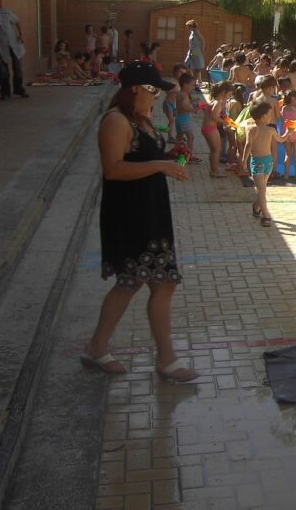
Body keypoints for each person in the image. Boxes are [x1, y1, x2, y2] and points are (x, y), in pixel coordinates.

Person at [80, 61, 196, 382]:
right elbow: (113, 169)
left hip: (150, 211)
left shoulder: (140, 119)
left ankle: (103, 349)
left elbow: (143, 157)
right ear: (134, 89)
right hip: (130, 215)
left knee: (151, 283)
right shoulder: (116, 121)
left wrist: (169, 155)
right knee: (140, 282)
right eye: (152, 90)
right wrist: (160, 165)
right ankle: (161, 358)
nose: (156, 95)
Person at [243, 100, 288, 227]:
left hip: (265, 162)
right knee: (261, 189)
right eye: (269, 114)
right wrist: (243, 160)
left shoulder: (262, 130)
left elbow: (248, 146)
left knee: (261, 189)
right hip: (262, 162)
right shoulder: (258, 129)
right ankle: (266, 215)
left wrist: (244, 160)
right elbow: (248, 145)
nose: (271, 117)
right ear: (263, 116)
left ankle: (257, 206)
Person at [0, 0, 28, 98]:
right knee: (3, 71)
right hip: (1, 48)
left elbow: (17, 21)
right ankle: (5, 92)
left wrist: (21, 34)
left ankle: (19, 89)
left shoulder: (5, 13)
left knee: (17, 68)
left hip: (14, 44)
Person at [174, 73, 199, 162]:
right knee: (190, 137)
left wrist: (193, 103)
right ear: (185, 85)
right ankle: (189, 156)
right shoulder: (184, 95)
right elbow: (185, 107)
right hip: (184, 119)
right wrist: (193, 109)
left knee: (179, 137)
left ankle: (175, 153)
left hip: (178, 118)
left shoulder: (180, 93)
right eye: (192, 85)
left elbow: (182, 105)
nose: (193, 87)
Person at [183, 19, 206, 84]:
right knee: (188, 64)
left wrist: (202, 49)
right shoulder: (192, 32)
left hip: (196, 50)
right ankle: (192, 79)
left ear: (191, 26)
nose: (188, 28)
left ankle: (199, 80)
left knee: (196, 65)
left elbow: (203, 40)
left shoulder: (196, 32)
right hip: (191, 50)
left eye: (188, 26)